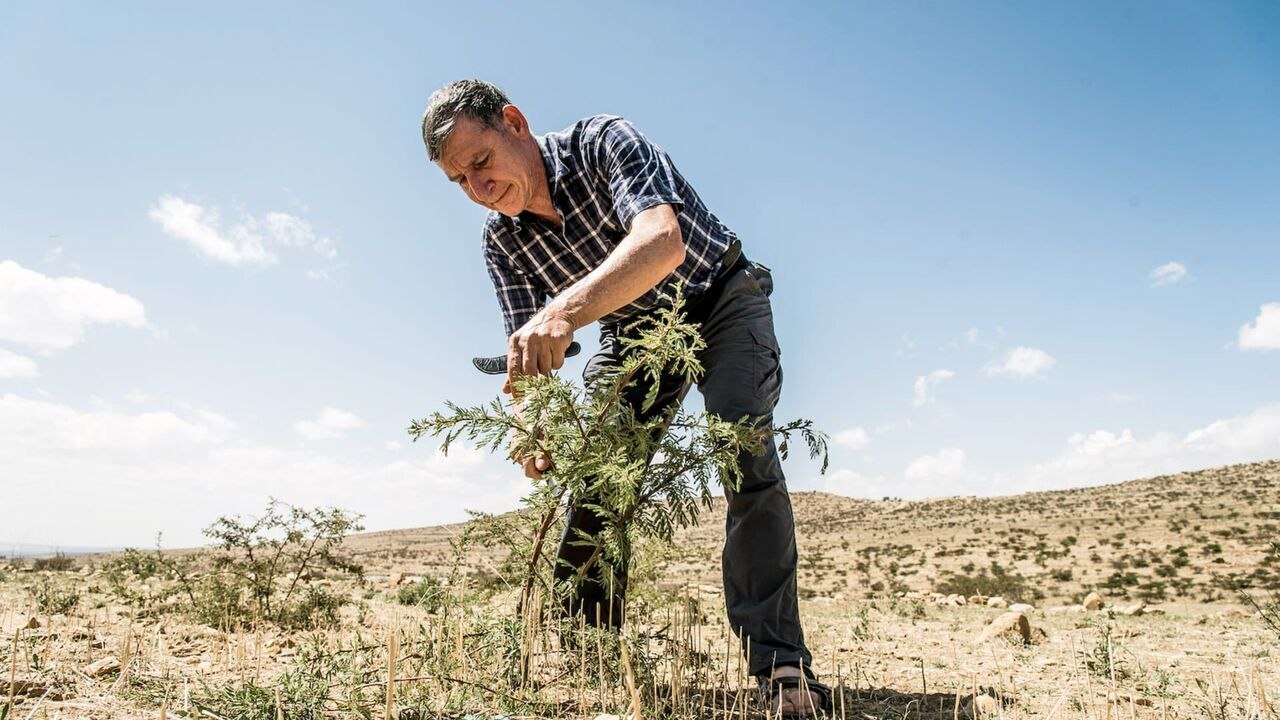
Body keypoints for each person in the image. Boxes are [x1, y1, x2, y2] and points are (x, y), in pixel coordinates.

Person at [421, 79, 830, 717]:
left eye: (480, 162)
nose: (478, 188)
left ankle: (780, 666)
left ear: (515, 122)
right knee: (600, 476)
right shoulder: (502, 242)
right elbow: (526, 351)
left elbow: (662, 243)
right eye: (459, 182)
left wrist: (564, 310)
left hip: (720, 296)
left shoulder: (602, 141)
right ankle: (590, 653)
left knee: (742, 452)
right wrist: (529, 423)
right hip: (634, 333)